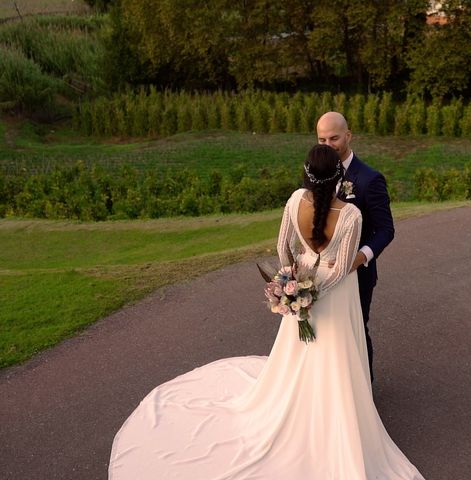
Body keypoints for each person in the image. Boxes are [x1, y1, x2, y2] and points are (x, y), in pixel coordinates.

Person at [108, 145, 424, 480]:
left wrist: (294, 281)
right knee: (336, 354)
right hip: (334, 295)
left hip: (304, 283)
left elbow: (281, 246)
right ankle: (338, 416)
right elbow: (343, 268)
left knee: (302, 354)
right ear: (338, 178)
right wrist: (313, 291)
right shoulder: (350, 216)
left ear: (306, 174)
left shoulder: (294, 200)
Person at [317, 112, 395, 382]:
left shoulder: (370, 179)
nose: (328, 145)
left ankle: (363, 393)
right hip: (321, 273)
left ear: (348, 136)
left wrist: (359, 259)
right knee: (324, 332)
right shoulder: (315, 172)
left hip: (356, 275)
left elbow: (386, 230)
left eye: (334, 138)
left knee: (355, 331)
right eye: (322, 139)